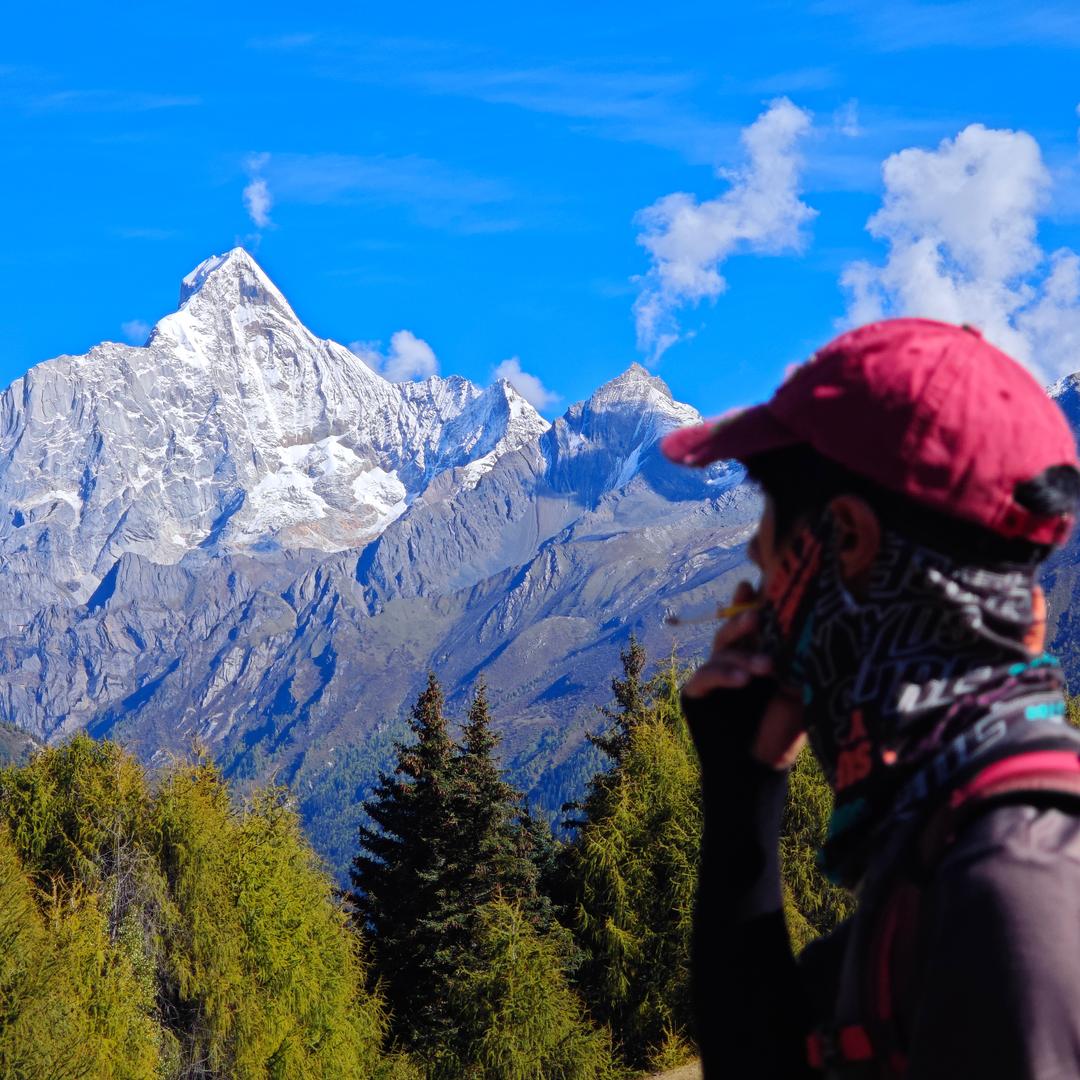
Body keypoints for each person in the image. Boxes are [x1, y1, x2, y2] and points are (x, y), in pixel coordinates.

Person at [661, 318, 1080, 1079]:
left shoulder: (1011, 892)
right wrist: (742, 789)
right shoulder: (957, 838)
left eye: (769, 520)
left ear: (846, 539)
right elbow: (765, 1056)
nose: (755, 555)